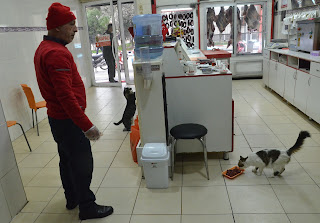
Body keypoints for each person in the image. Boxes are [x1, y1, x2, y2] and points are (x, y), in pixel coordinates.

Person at [33, 3, 113, 220]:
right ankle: (87, 207)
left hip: (56, 118)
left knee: (66, 160)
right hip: (68, 120)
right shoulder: (56, 54)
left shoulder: (44, 48)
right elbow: (65, 97)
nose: (75, 29)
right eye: (71, 24)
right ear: (57, 27)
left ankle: (72, 198)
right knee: (82, 163)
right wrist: (87, 125)